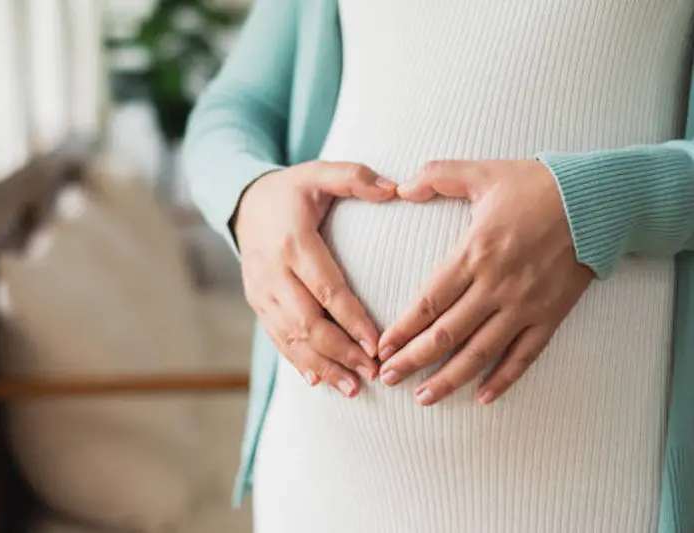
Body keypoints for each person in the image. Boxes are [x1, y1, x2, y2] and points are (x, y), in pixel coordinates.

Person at [182, 1, 694, 532]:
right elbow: (235, 106)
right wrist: (250, 198)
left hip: (601, 477)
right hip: (320, 470)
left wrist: (606, 200)